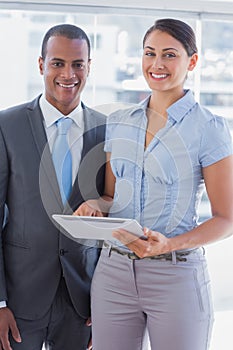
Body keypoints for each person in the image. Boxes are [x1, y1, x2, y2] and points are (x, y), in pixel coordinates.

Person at [75, 18, 233, 350]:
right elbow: (110, 196)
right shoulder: (119, 122)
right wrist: (95, 206)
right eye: (149, 53)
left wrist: (168, 245)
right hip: (113, 273)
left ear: (192, 61)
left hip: (175, 277)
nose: (156, 64)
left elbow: (226, 219)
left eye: (169, 55)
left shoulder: (210, 128)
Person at [0, 24, 106, 350]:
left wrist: (105, 300)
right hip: (20, 298)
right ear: (41, 65)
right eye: (57, 63)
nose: (68, 73)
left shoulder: (106, 131)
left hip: (82, 302)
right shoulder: (7, 125)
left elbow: (112, 218)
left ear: (89, 66)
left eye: (78, 64)